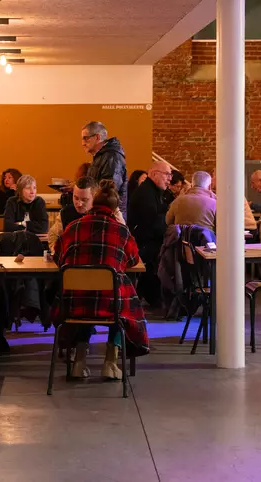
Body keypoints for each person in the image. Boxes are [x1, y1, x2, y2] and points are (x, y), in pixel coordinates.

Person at [53, 180, 149, 379]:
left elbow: (58, 256)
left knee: (87, 296)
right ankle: (110, 362)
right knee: (119, 300)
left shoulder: (72, 227)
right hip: (109, 304)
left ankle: (78, 362)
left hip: (73, 303)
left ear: (93, 204)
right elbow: (133, 259)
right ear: (114, 210)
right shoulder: (121, 231)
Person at [127, 161, 172, 307]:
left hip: (147, 240)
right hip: (144, 244)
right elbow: (152, 223)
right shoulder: (146, 193)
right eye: (167, 174)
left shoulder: (153, 191)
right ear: (153, 174)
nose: (170, 178)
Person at [48, 176, 125, 252]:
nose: (79, 204)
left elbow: (123, 237)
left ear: (95, 197)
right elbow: (53, 235)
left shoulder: (107, 213)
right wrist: (56, 251)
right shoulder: (65, 213)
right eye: (76, 198)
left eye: (84, 200)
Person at [81, 121, 128, 217]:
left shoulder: (112, 157)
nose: (82, 143)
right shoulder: (102, 156)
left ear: (97, 137)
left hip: (110, 216)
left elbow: (109, 191)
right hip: (102, 213)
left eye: (86, 138)